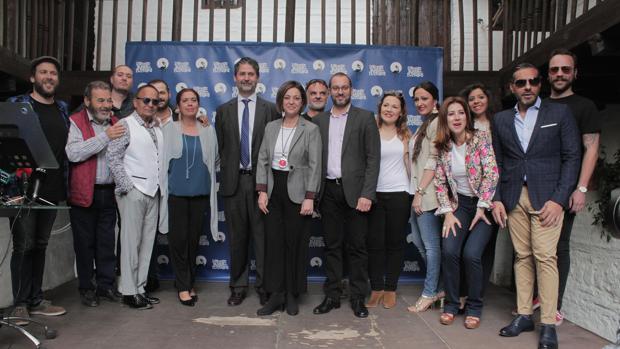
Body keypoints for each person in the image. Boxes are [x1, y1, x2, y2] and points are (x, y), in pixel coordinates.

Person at [493, 63, 581, 349]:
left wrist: (559, 199)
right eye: (521, 83)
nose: (527, 87)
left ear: (539, 84)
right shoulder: (501, 119)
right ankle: (522, 315)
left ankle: (547, 323)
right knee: (522, 256)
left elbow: (572, 158)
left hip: (548, 198)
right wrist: (496, 198)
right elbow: (498, 163)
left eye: (532, 81)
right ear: (512, 87)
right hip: (514, 196)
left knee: (545, 257)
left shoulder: (559, 113)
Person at [312, 72, 380, 318]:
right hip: (328, 190)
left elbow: (373, 159)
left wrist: (367, 194)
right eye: (336, 88)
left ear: (351, 90)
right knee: (332, 245)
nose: (340, 92)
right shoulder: (319, 121)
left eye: (344, 88)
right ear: (330, 92)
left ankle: (358, 297)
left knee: (358, 247)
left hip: (356, 193)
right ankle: (332, 295)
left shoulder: (365, 118)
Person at [7, 56, 69, 325]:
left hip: (52, 187)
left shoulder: (63, 108)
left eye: (53, 73)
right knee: (24, 245)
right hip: (21, 187)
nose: (49, 76)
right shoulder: (17, 105)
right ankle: (18, 304)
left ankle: (34, 299)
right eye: (43, 72)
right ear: (33, 78)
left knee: (41, 244)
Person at [215, 57, 279, 306]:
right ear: (234, 77)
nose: (246, 78)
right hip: (233, 184)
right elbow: (220, 149)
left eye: (251, 74)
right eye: (242, 73)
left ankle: (264, 286)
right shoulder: (223, 111)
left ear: (258, 78)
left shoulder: (271, 109)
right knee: (237, 238)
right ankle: (238, 286)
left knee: (263, 238)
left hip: (262, 182)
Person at [544, 48, 601, 325]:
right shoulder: (540, 105)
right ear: (548, 74)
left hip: (566, 190)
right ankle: (535, 301)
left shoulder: (584, 106)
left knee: (559, 247)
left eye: (565, 69)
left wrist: (580, 188)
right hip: (539, 186)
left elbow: (591, 147)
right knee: (535, 248)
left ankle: (554, 305)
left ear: (574, 73)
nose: (559, 74)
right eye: (555, 70)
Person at [255, 81, 322, 316]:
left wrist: (310, 197)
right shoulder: (271, 127)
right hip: (274, 189)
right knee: (274, 244)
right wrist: (262, 190)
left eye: (296, 98)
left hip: (298, 192)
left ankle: (292, 294)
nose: (291, 102)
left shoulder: (310, 129)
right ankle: (276, 295)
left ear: (302, 102)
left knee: (295, 245)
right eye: (287, 97)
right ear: (281, 101)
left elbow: (315, 165)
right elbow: (263, 159)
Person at [433, 97, 499, 329]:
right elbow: (440, 182)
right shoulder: (442, 146)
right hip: (459, 206)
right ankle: (451, 305)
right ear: (445, 119)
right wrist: (448, 212)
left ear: (467, 116)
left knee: (472, 254)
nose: (457, 118)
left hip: (483, 205)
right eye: (451, 114)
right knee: (449, 250)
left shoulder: (480, 138)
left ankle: (474, 307)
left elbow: (491, 173)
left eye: (461, 112)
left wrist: (483, 206)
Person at [66, 81, 125, 307]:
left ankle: (106, 286)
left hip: (109, 192)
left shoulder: (116, 122)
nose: (106, 105)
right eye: (100, 100)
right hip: (84, 193)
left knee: (106, 242)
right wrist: (105, 137)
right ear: (87, 101)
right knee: (84, 244)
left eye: (108, 100)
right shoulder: (76, 121)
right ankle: (86, 288)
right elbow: (73, 153)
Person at [107, 84, 166, 310]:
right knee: (131, 243)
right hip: (134, 191)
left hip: (154, 191)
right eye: (146, 100)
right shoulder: (125, 124)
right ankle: (129, 291)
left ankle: (140, 288)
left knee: (147, 243)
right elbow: (114, 158)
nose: (151, 105)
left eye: (155, 101)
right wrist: (128, 188)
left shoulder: (157, 127)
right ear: (136, 102)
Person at [159, 88, 219, 307]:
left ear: (198, 104)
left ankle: (188, 282)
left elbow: (216, 160)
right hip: (176, 194)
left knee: (193, 243)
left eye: (194, 100)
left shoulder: (207, 130)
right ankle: (183, 286)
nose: (190, 104)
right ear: (178, 106)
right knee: (178, 241)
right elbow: (162, 161)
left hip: (200, 193)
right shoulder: (169, 128)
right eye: (185, 100)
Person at [365, 91, 412, 310]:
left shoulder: (406, 136)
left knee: (395, 244)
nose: (390, 109)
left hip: (399, 194)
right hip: (374, 195)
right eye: (386, 105)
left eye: (395, 106)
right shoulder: (370, 131)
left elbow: (412, 167)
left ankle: (390, 288)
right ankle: (376, 289)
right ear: (380, 107)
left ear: (401, 112)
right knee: (374, 244)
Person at [459, 82, 499, 309]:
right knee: (465, 248)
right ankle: (464, 293)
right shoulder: (465, 125)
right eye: (472, 98)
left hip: (494, 195)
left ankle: (478, 293)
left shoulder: (499, 123)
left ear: (488, 99)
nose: (476, 101)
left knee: (485, 248)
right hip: (468, 195)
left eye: (480, 97)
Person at [406, 81, 444, 313]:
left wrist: (419, 193)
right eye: (417, 99)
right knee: (422, 245)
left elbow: (434, 160)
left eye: (424, 99)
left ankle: (429, 292)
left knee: (431, 247)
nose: (420, 103)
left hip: (427, 195)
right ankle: (439, 288)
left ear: (435, 100)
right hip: (417, 193)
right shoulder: (425, 124)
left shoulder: (437, 122)